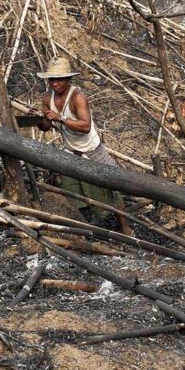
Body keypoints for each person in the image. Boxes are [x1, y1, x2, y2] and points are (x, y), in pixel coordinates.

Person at [36, 56, 133, 236]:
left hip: (91, 149)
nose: (55, 83)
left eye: (59, 79)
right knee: (70, 188)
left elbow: (85, 126)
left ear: (68, 79)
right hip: (71, 150)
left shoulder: (78, 97)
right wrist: (42, 119)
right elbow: (46, 127)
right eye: (52, 79)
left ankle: (125, 227)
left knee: (110, 185)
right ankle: (84, 226)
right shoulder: (47, 97)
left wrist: (61, 118)